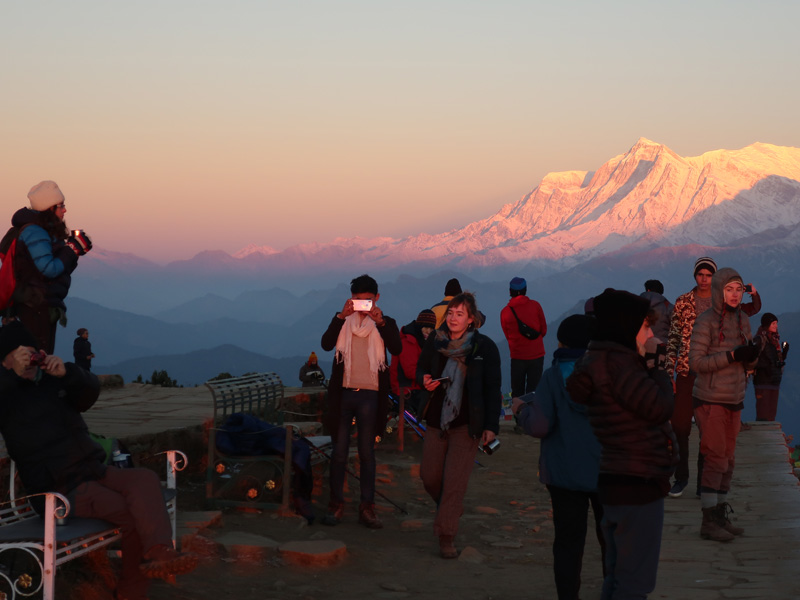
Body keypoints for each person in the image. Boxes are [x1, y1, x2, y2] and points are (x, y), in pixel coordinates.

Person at [0, 321, 197, 600]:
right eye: (20, 354)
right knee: (130, 515)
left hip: (93, 469)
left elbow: (89, 393)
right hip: (59, 489)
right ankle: (133, 590)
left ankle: (159, 551)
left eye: (33, 353)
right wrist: (11, 376)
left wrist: (68, 372)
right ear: (5, 361)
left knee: (144, 479)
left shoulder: (50, 382)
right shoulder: (7, 396)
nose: (29, 360)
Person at [566, 289, 675, 600]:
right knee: (634, 583)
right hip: (638, 482)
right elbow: (659, 407)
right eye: (645, 326)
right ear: (625, 327)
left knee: (617, 577)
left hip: (615, 479)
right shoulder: (621, 366)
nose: (651, 333)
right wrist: (658, 366)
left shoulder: (599, 361)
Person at [512, 314, 605, 600]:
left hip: (564, 473)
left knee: (568, 543)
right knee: (612, 540)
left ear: (562, 342)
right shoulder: (610, 373)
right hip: (607, 471)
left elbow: (540, 426)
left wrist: (520, 411)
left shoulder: (553, 377)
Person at [665, 257, 760, 499]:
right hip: (687, 371)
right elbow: (673, 338)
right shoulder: (683, 303)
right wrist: (669, 372)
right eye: (701, 274)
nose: (705, 279)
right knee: (680, 425)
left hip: (715, 374)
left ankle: (703, 482)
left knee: (710, 431)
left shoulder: (725, 305)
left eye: (709, 275)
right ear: (695, 276)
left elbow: (747, 318)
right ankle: (681, 476)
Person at [416, 292, 502, 559]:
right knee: (429, 476)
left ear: (471, 320)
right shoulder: (435, 341)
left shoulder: (484, 347)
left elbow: (492, 388)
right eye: (451, 313)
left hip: (468, 423)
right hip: (436, 420)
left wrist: (491, 425)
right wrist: (425, 380)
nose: (453, 318)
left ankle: (446, 535)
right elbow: (421, 370)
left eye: (459, 314)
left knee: (454, 482)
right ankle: (450, 509)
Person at [320, 274, 402, 528]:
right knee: (339, 453)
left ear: (377, 298)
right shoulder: (343, 322)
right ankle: (336, 505)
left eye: (367, 300)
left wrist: (382, 323)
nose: (362, 305)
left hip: (370, 395)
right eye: (357, 300)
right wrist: (340, 317)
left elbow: (397, 348)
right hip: (343, 393)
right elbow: (325, 345)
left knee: (367, 454)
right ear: (351, 299)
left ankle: (367, 507)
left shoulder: (384, 323)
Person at [689, 267, 759, 542]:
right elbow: (697, 363)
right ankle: (708, 521)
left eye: (738, 289)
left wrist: (751, 357)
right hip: (710, 399)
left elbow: (747, 363)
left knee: (728, 460)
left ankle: (719, 515)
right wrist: (731, 356)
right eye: (729, 289)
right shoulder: (705, 321)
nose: (734, 294)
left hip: (734, 399)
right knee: (716, 457)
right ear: (719, 291)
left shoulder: (743, 320)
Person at [0, 181, 92, 353]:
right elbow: (49, 269)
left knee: (42, 355)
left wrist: (74, 252)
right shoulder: (35, 232)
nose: (64, 210)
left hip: (40, 304)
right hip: (36, 306)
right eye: (61, 205)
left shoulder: (42, 231)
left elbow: (55, 270)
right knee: (39, 357)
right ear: (50, 208)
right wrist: (71, 250)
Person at [501, 276, 548, 398]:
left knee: (517, 391)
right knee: (533, 391)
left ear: (510, 292)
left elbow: (508, 336)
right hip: (537, 355)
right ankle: (533, 415)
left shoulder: (505, 312)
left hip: (517, 357)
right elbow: (543, 330)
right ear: (525, 290)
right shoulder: (536, 306)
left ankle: (519, 415)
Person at [389, 308, 437, 414]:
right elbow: (410, 370)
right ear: (419, 326)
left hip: (415, 388)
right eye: (425, 328)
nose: (428, 332)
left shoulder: (422, 341)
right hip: (405, 390)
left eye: (431, 329)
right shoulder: (408, 341)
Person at [753, 313, 789, 422]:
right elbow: (752, 358)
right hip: (763, 380)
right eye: (773, 323)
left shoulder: (774, 340)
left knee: (772, 409)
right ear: (766, 324)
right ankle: (763, 432)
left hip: (773, 380)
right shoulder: (760, 339)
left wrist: (785, 351)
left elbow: (777, 360)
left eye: (776, 323)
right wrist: (765, 366)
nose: (776, 326)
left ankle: (769, 428)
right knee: (763, 409)